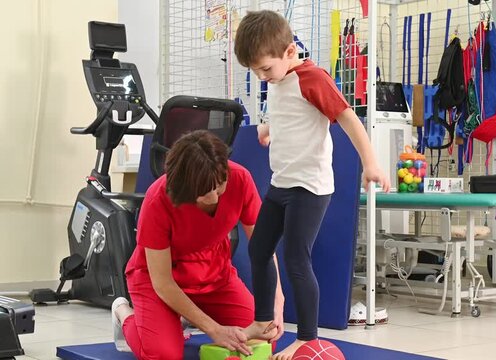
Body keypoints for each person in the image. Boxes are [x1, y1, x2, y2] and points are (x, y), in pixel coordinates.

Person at [234, 10, 391, 360]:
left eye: (265, 69)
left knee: (295, 257)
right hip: (282, 182)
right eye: (256, 71)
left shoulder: (312, 78)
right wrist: (267, 128)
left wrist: (370, 163)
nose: (262, 77)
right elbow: (286, 112)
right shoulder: (278, 80)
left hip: (310, 187)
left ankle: (307, 337)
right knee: (259, 249)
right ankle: (263, 321)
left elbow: (348, 118)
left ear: (290, 52)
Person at [111, 130, 285, 359]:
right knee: (164, 355)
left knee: (261, 341)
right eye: (204, 193)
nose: (214, 197)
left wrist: (276, 300)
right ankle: (123, 313)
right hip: (158, 280)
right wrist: (213, 329)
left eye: (219, 186)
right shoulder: (157, 200)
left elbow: (264, 248)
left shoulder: (240, 179)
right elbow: (162, 282)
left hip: (213, 274)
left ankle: (182, 317)